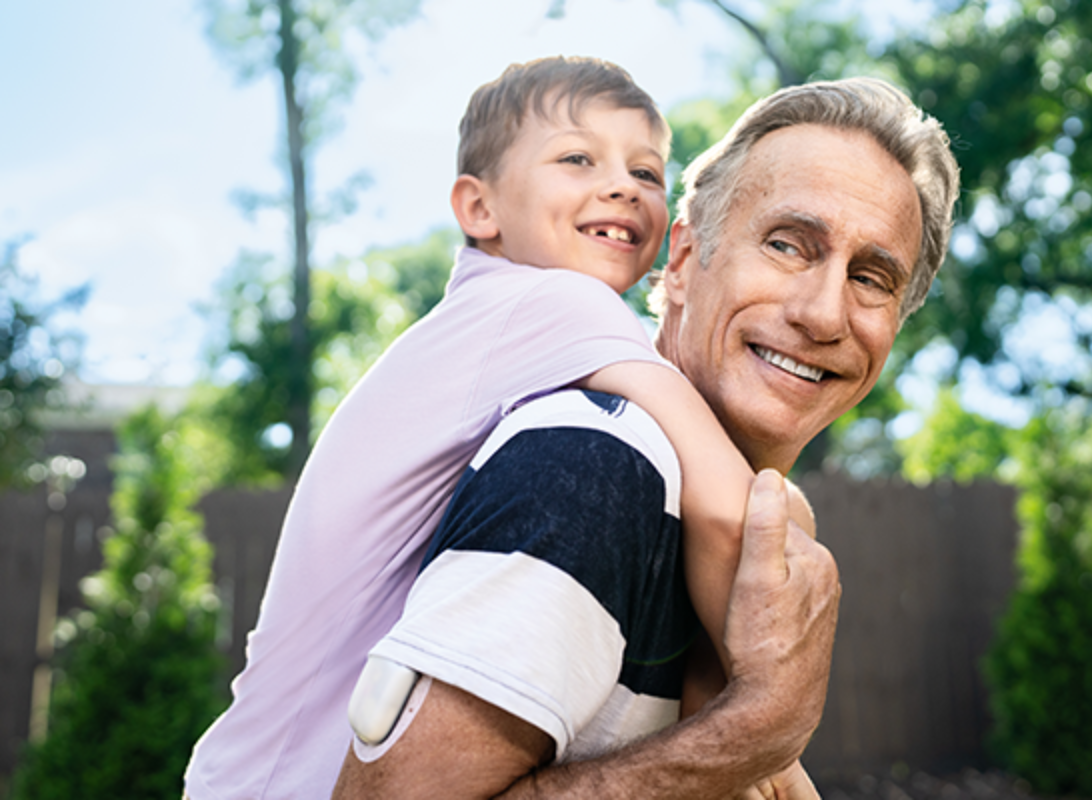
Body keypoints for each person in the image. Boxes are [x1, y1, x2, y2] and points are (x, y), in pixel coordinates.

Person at [184, 56, 798, 800]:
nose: (622, 187)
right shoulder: (552, 305)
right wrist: (771, 730)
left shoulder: (493, 322)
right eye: (577, 158)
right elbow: (734, 511)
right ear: (480, 210)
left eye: (647, 172)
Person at [333, 75, 960, 798]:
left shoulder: (722, 524)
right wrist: (751, 733)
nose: (824, 313)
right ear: (687, 261)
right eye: (788, 245)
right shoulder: (595, 464)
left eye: (872, 278)